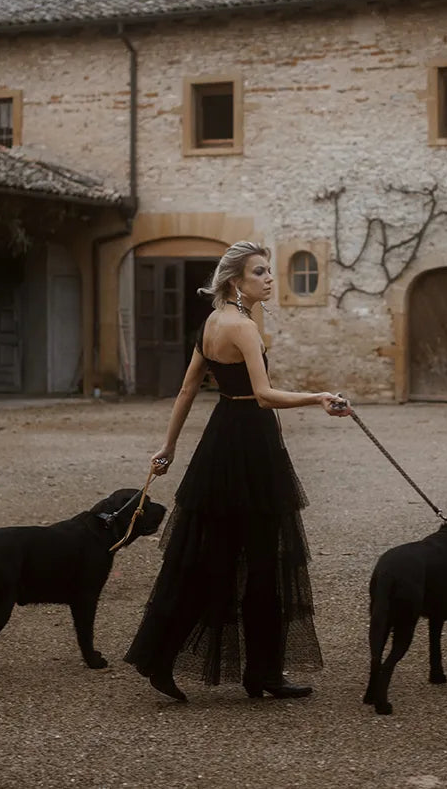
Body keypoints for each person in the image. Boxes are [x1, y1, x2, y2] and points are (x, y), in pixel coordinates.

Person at [124, 240, 350, 702]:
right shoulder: (242, 327)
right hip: (249, 444)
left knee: (213, 561)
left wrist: (167, 447)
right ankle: (261, 674)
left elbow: (188, 389)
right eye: (260, 272)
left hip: (222, 439)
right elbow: (264, 395)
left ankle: (188, 661)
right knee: (262, 561)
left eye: (269, 271)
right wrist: (320, 397)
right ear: (235, 281)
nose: (270, 279)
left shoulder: (213, 322)